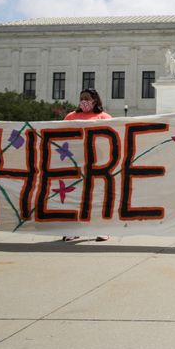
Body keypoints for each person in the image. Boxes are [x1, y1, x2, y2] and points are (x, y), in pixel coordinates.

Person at [62, 88, 112, 242]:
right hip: (76, 163)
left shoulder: (104, 117)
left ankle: (102, 229)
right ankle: (73, 230)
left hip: (99, 163)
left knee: (98, 197)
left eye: (87, 98)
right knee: (75, 196)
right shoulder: (71, 116)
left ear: (95, 100)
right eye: (81, 98)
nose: (84, 101)